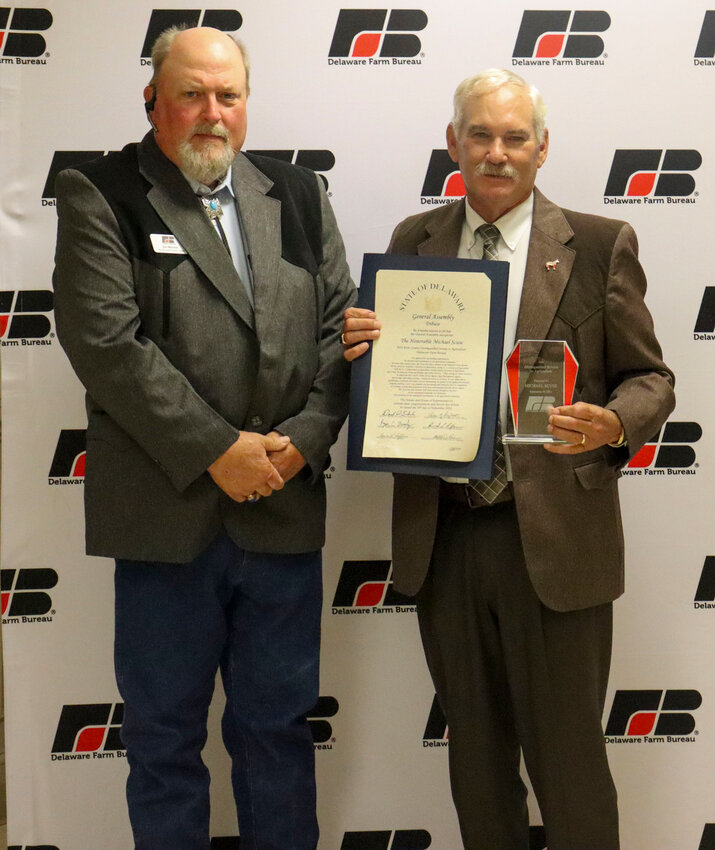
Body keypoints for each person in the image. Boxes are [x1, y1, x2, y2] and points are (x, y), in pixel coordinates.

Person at [342, 69, 674, 850]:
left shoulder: (596, 244)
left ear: (542, 148)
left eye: (514, 137)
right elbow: (384, 381)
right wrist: (361, 352)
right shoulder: (411, 241)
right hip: (446, 536)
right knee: (477, 763)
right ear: (452, 142)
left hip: (555, 544)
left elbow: (651, 378)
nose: (496, 153)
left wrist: (612, 423)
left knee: (569, 764)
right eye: (480, 136)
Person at [53, 26, 355, 850]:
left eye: (228, 95)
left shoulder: (296, 194)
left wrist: (298, 442)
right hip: (167, 524)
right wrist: (220, 451)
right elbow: (109, 348)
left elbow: (339, 337)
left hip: (282, 516)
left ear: (246, 104)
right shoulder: (102, 193)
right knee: (162, 744)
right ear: (153, 100)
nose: (211, 113)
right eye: (191, 93)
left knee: (278, 736)